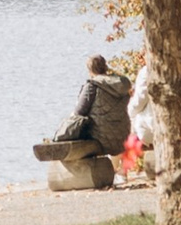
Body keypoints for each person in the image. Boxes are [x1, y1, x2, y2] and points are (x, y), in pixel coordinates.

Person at [33, 56, 131, 187]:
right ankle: (116, 172)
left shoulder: (92, 86)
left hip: (101, 136)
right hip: (123, 132)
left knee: (73, 130)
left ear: (90, 70)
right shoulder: (121, 85)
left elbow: (79, 112)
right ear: (106, 67)